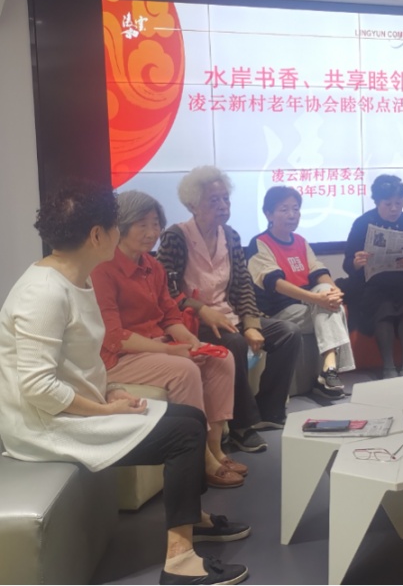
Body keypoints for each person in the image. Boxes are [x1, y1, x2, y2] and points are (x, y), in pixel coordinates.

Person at [0, 181, 249, 585]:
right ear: (97, 235)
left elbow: (79, 362)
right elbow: (38, 387)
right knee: (184, 434)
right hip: (44, 427)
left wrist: (109, 391)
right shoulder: (43, 293)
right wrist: (103, 409)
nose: (124, 233)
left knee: (188, 419)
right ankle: (180, 561)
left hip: (70, 410)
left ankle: (192, 521)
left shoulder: (76, 279)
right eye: (117, 226)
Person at [91, 191, 245, 489]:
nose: (151, 233)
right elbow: (115, 337)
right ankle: (201, 457)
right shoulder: (103, 270)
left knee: (221, 358)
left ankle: (215, 446)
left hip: (155, 347)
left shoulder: (153, 266)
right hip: (118, 357)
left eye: (155, 224)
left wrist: (192, 342)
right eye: (142, 225)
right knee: (184, 370)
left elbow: (170, 316)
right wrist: (170, 351)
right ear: (121, 226)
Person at [157, 166, 301, 454]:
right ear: (193, 205)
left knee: (288, 332)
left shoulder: (231, 236)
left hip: (230, 316)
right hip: (194, 323)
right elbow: (165, 290)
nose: (223, 206)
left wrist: (252, 324)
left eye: (226, 199)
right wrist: (201, 309)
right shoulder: (176, 237)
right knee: (234, 343)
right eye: (214, 200)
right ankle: (241, 426)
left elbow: (243, 285)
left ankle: (269, 411)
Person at [246, 186, 356, 398]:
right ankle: (328, 373)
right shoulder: (260, 243)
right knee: (330, 309)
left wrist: (334, 292)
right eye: (284, 209)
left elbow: (318, 270)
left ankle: (329, 369)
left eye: (295, 209)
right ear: (268, 214)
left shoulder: (300, 241)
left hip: (306, 305)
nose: (292, 215)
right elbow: (275, 283)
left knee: (329, 297)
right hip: (277, 311)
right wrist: (317, 299)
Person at [342, 174, 403, 378]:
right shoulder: (363, 223)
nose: (394, 209)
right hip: (371, 286)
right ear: (376, 202)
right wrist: (356, 262)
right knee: (384, 308)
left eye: (398, 203)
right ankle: (389, 367)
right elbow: (347, 263)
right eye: (388, 204)